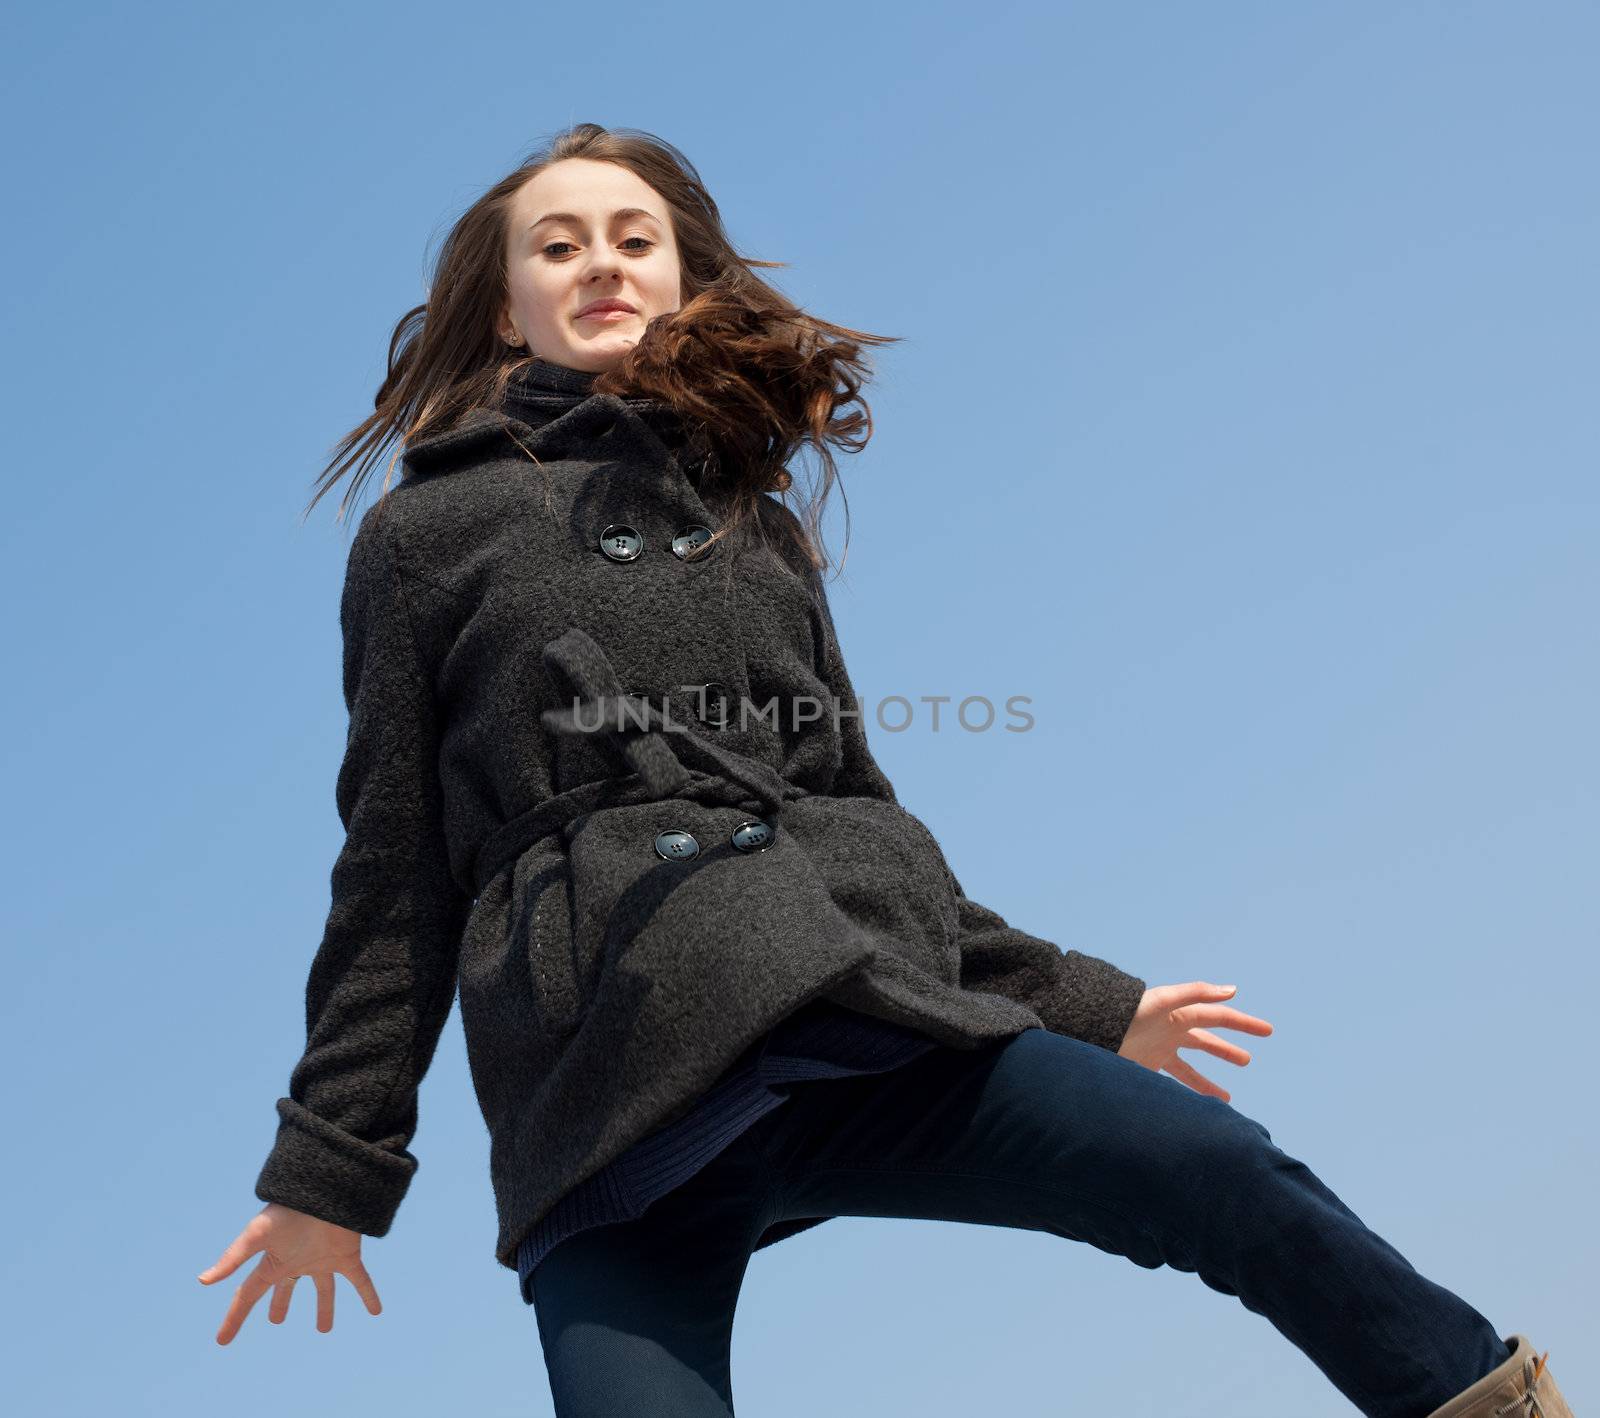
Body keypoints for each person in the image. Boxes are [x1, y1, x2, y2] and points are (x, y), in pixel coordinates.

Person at [197, 124, 1575, 1418]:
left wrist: (1080, 1001)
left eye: (634, 236)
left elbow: (848, 804)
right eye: (557, 244)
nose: (601, 261)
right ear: (505, 307)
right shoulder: (423, 533)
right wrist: (336, 1164)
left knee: (1218, 1169)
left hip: (839, 1002)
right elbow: (391, 867)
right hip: (604, 1084)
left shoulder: (751, 516)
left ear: (681, 278)